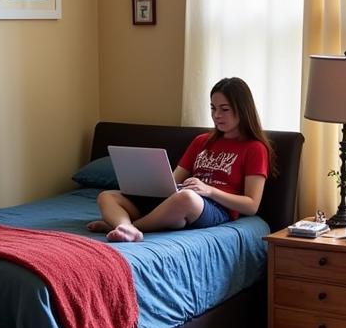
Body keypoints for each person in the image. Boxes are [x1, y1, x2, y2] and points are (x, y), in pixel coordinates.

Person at [88, 77, 274, 243]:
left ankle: (130, 227)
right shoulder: (201, 141)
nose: (216, 115)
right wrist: (151, 186)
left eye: (224, 109)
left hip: (214, 207)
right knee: (107, 196)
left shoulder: (255, 148)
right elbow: (174, 180)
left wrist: (209, 191)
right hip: (177, 200)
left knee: (185, 198)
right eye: (213, 108)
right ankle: (124, 226)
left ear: (242, 110)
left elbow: (251, 205)